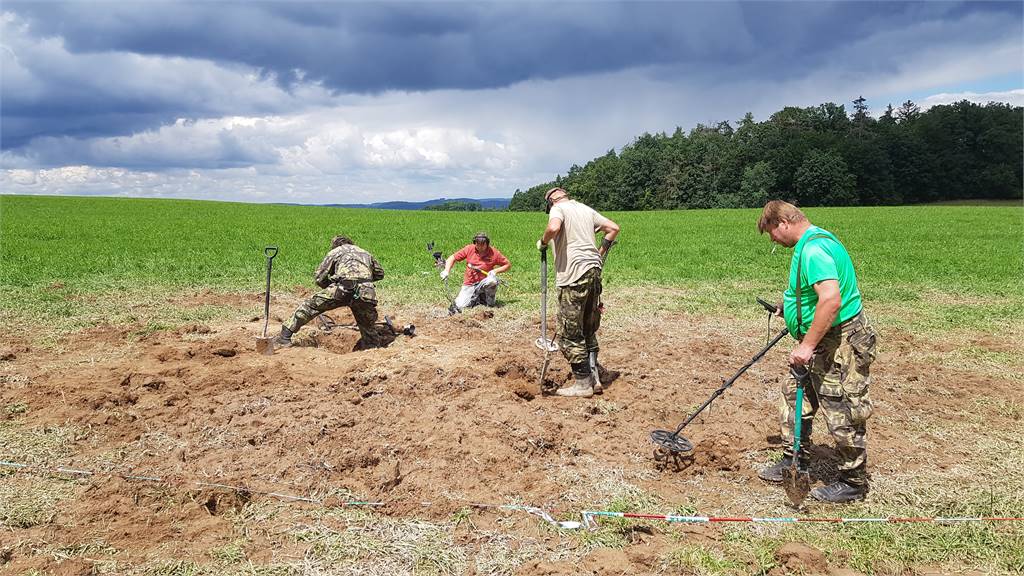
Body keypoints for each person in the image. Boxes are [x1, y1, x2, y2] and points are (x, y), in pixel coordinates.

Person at [756, 200, 878, 503]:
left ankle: (853, 482)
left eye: (771, 232)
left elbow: (831, 300)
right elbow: (816, 296)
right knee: (794, 393)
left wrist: (807, 345)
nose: (772, 239)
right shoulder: (815, 241)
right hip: (824, 338)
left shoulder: (813, 250)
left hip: (839, 343)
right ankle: (795, 458)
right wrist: (792, 308)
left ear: (783, 223)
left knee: (841, 408)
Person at [537, 187, 620, 398]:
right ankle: (595, 376)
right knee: (588, 327)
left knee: (569, 334)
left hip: (573, 275)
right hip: (594, 272)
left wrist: (544, 242)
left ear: (550, 202)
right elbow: (613, 228)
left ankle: (583, 384)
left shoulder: (558, 209)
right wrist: (599, 254)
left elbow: (554, 227)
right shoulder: (585, 209)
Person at [272, 235, 386, 350]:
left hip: (341, 289)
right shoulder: (365, 252)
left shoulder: (335, 252)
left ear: (335, 245)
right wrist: (363, 280)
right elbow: (380, 274)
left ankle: (284, 337)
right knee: (366, 322)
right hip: (366, 293)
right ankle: (371, 347)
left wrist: (329, 286)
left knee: (310, 306)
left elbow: (319, 277)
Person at [440, 232, 511, 311]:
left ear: (487, 244)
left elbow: (507, 265)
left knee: (492, 281)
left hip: (484, 282)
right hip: (470, 283)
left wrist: (495, 271)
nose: (480, 247)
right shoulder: (469, 249)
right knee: (460, 305)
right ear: (475, 243)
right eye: (478, 244)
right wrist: (446, 271)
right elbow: (452, 258)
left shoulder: (494, 253)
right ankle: (477, 298)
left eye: (482, 245)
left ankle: (489, 301)